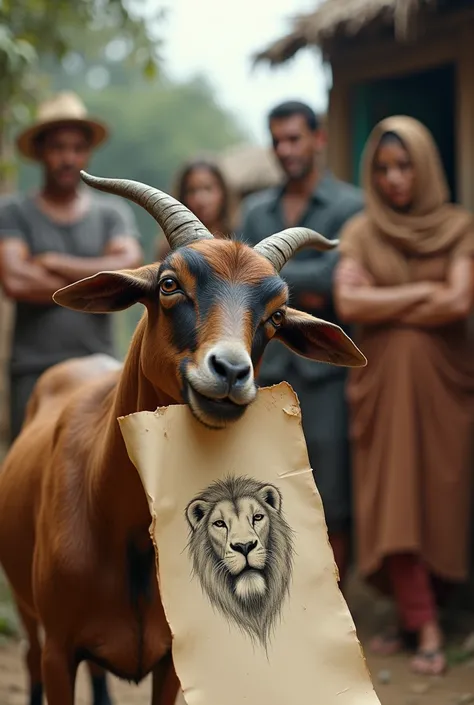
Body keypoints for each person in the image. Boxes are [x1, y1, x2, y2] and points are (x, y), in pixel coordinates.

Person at [334, 115, 474, 676]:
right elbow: (350, 308)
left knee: (438, 498)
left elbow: (460, 303)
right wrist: (424, 291)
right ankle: (425, 624)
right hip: (383, 389)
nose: (394, 179)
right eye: (383, 169)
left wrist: (388, 296)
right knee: (395, 501)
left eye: (404, 165)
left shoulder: (459, 227)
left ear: (426, 166)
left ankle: (419, 614)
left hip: (445, 390)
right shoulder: (362, 231)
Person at [239, 101, 363, 584]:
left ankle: (338, 610)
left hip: (327, 373)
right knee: (268, 493)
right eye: (278, 140)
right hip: (266, 375)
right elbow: (239, 278)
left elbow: (338, 282)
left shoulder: (350, 206)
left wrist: (267, 276)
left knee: (332, 497)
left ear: (318, 139)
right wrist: (297, 282)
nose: (286, 149)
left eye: (295, 138)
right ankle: (285, 609)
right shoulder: (255, 209)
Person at [0, 91, 143, 443]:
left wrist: (53, 262)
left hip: (99, 367)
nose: (68, 158)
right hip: (33, 370)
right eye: (58, 148)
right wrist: (96, 285)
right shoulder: (14, 211)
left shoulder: (112, 214)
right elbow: (15, 280)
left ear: (88, 151)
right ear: (40, 151)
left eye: (77, 147)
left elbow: (129, 267)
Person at [156, 157, 234, 260]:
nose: (200, 199)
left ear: (223, 192)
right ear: (182, 198)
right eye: (192, 191)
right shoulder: (170, 249)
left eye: (208, 188)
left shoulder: (239, 238)